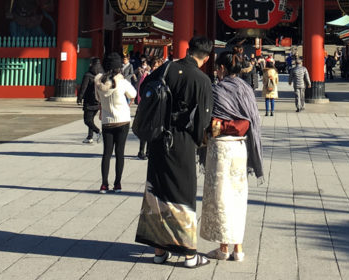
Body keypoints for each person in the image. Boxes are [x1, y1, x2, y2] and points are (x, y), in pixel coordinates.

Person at [135, 35, 214, 268]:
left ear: (188, 50)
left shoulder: (166, 68)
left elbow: (145, 92)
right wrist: (199, 141)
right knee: (183, 193)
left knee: (158, 190)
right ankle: (189, 253)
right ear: (206, 58)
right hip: (181, 141)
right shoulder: (201, 79)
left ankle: (160, 250)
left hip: (158, 138)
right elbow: (203, 120)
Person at [201, 51, 264, 262]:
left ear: (221, 69)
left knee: (220, 197)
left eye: (217, 68)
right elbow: (251, 119)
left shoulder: (217, 89)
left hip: (220, 148)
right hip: (240, 147)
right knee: (237, 196)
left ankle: (223, 247)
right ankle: (239, 247)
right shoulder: (246, 89)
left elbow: (209, 120)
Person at [95, 52, 137, 192]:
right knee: (120, 153)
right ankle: (117, 183)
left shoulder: (99, 82)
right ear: (119, 67)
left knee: (106, 153)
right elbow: (133, 94)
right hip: (123, 120)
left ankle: (104, 183)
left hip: (107, 120)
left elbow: (98, 98)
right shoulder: (122, 82)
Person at [77, 57, 103, 143]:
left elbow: (83, 87)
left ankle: (97, 131)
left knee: (87, 120)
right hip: (98, 101)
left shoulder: (88, 75)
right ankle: (89, 137)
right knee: (91, 119)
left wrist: (79, 98)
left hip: (89, 100)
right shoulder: (102, 75)